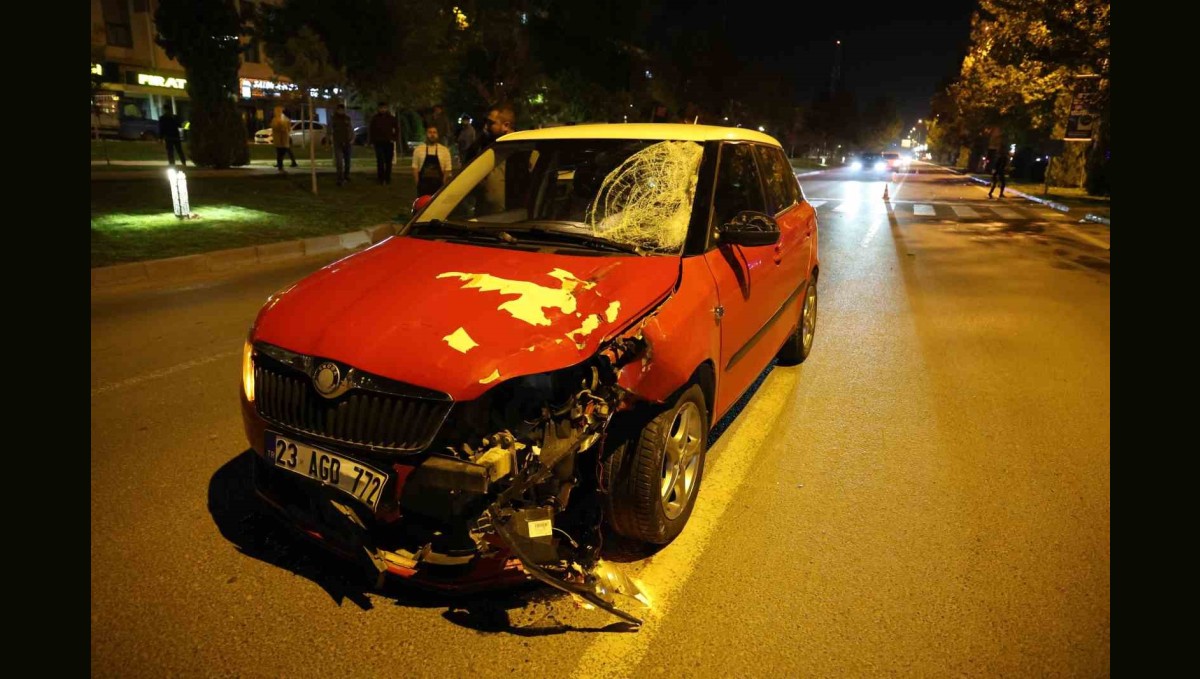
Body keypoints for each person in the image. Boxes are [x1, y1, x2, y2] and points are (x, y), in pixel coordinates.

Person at [412, 125, 453, 196]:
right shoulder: (418, 150)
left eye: (434, 132)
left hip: (439, 186)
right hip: (423, 186)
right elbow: (415, 168)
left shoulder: (444, 150)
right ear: (426, 134)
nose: (432, 135)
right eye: (430, 132)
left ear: (437, 135)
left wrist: (443, 183)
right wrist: (418, 183)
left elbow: (448, 169)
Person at [368, 102, 400, 184]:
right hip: (378, 142)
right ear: (378, 109)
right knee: (380, 160)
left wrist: (394, 138)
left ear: (387, 108)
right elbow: (371, 130)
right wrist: (371, 141)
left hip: (389, 142)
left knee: (388, 160)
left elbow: (397, 129)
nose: (383, 110)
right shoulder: (375, 119)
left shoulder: (391, 118)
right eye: (381, 108)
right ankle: (380, 178)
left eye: (384, 108)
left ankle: (388, 177)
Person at [330, 103, 354, 186]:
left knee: (348, 161)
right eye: (339, 110)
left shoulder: (347, 118)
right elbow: (330, 130)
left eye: (342, 110)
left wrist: (352, 139)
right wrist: (330, 140)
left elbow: (351, 129)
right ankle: (340, 178)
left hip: (347, 142)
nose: (341, 111)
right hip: (338, 143)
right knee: (339, 161)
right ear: (337, 110)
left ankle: (346, 175)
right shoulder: (333, 119)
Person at [270, 107, 298, 171]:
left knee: (281, 152)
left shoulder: (283, 119)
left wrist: (281, 128)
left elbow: (286, 128)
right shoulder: (278, 119)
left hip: (283, 139)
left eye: (276, 111)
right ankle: (281, 165)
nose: (274, 112)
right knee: (281, 152)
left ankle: (281, 165)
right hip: (281, 139)